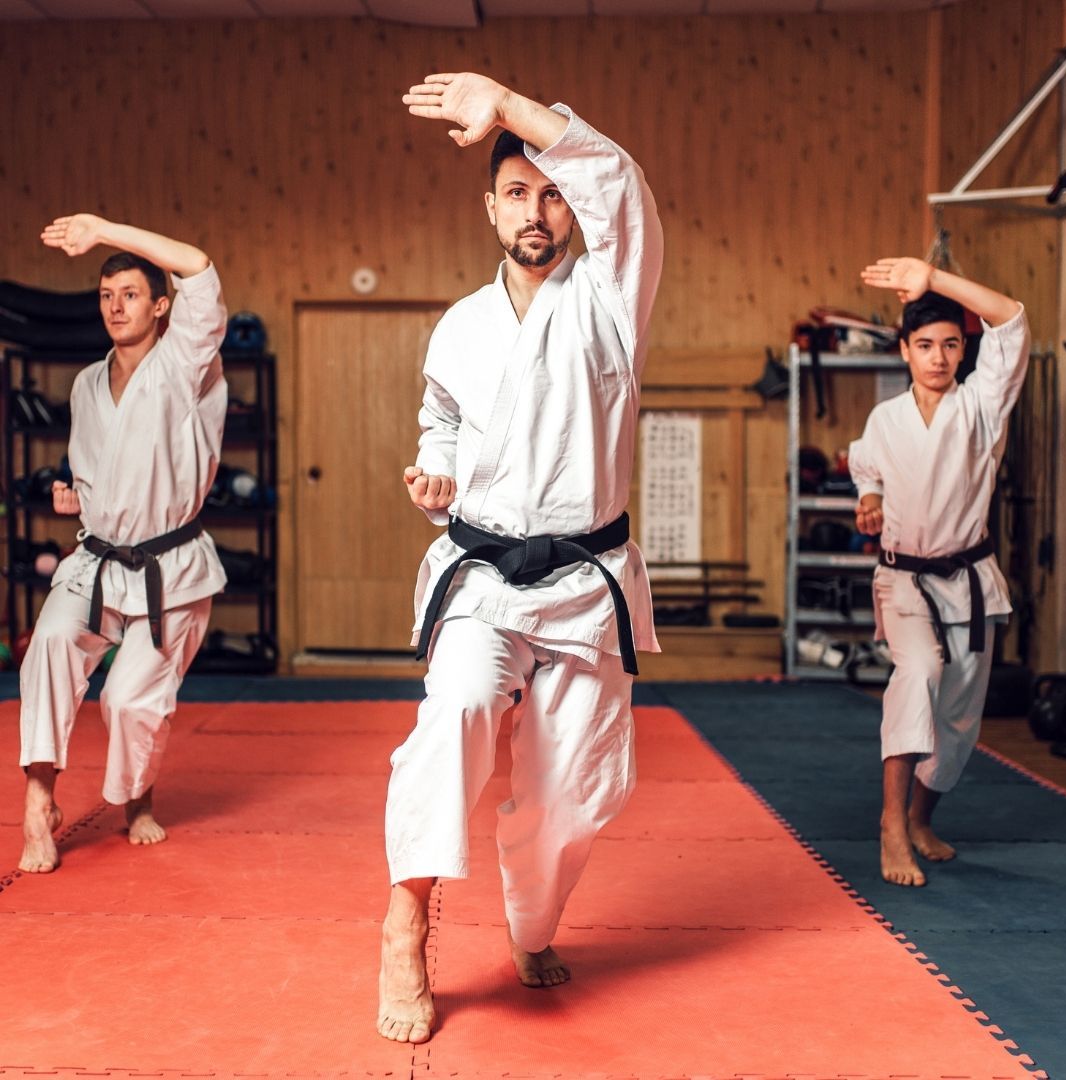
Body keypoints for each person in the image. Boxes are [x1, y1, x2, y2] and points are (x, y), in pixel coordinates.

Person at [377, 72, 663, 1043]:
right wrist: (436, 473)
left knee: (573, 795)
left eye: (551, 192)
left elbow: (617, 178)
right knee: (454, 714)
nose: (535, 210)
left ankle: (530, 928)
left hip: (586, 584)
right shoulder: (459, 324)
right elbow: (443, 423)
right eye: (514, 191)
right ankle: (406, 921)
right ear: (488, 206)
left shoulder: (614, 295)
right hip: (486, 578)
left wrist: (501, 105)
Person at [17, 215, 228, 873]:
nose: (115, 306)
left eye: (131, 294)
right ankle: (37, 805)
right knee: (49, 647)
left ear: (161, 306)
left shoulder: (187, 360)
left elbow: (195, 261)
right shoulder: (84, 383)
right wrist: (75, 497)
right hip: (98, 561)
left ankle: (137, 800)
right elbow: (101, 469)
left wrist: (106, 230)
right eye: (106, 296)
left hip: (173, 567)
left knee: (133, 700)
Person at [849, 256, 1029, 888]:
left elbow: (1010, 317)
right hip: (902, 581)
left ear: (963, 351)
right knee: (919, 673)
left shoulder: (982, 406)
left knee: (957, 717)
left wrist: (933, 278)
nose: (939, 357)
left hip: (970, 583)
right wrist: (868, 502)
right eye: (925, 344)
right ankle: (891, 825)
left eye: (952, 344)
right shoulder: (885, 420)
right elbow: (866, 469)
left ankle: (923, 818)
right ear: (904, 350)